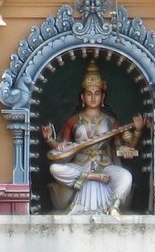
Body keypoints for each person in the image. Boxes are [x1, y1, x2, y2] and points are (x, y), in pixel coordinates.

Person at [41, 60, 146, 215]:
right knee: (54, 169)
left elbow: (123, 149)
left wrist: (137, 132)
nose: (93, 98)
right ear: (82, 97)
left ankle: (114, 207)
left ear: (103, 97)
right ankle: (91, 177)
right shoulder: (73, 121)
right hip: (79, 165)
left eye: (97, 94)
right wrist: (49, 139)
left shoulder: (111, 121)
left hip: (105, 166)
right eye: (89, 94)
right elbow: (63, 148)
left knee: (126, 176)